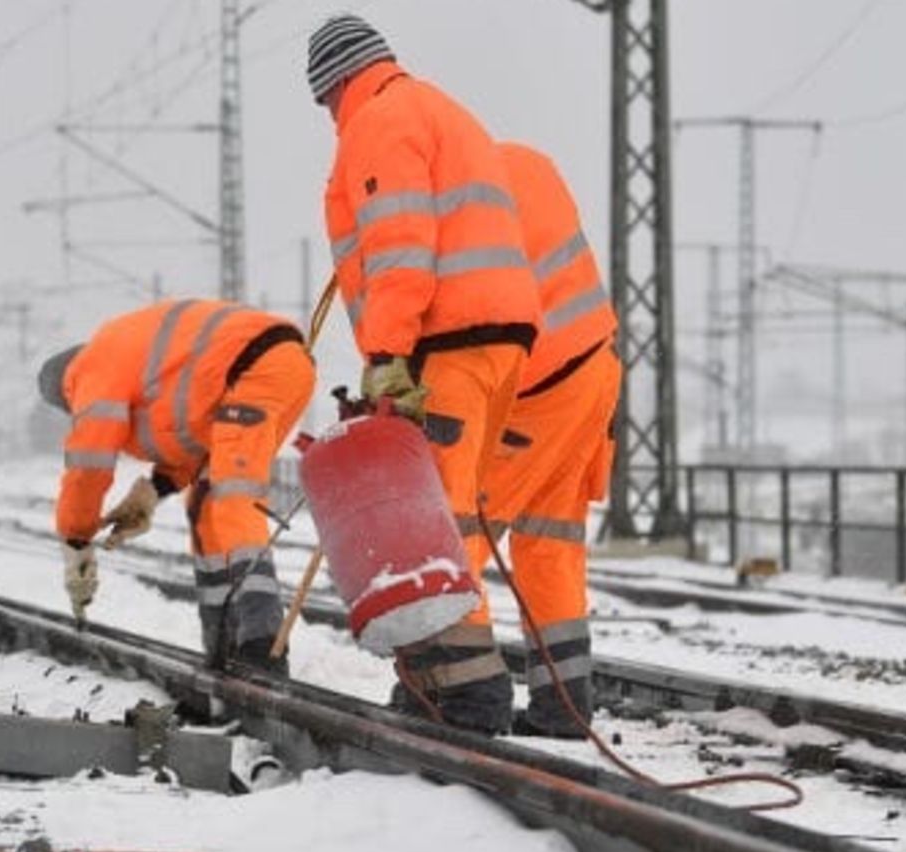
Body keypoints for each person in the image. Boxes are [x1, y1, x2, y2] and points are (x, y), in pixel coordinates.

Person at [309, 13, 542, 732]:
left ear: (336, 83)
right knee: (454, 510)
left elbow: (401, 247)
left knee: (435, 524)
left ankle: (469, 692)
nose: (330, 119)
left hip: (445, 340)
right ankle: (429, 681)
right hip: (498, 341)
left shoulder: (381, 120)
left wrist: (385, 356)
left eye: (325, 104)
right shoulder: (441, 108)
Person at [37, 300, 315, 672]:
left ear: (65, 390)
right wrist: (154, 490)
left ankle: (262, 644)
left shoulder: (91, 371)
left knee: (232, 497)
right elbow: (194, 438)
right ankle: (223, 646)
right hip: (280, 368)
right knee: (205, 500)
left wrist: (76, 537)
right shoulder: (133, 359)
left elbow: (89, 464)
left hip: (255, 369)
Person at [479, 141, 621, 738]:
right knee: (549, 545)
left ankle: (454, 691)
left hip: (538, 383)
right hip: (595, 370)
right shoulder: (528, 165)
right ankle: (563, 706)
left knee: (458, 532)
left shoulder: (460, 195)